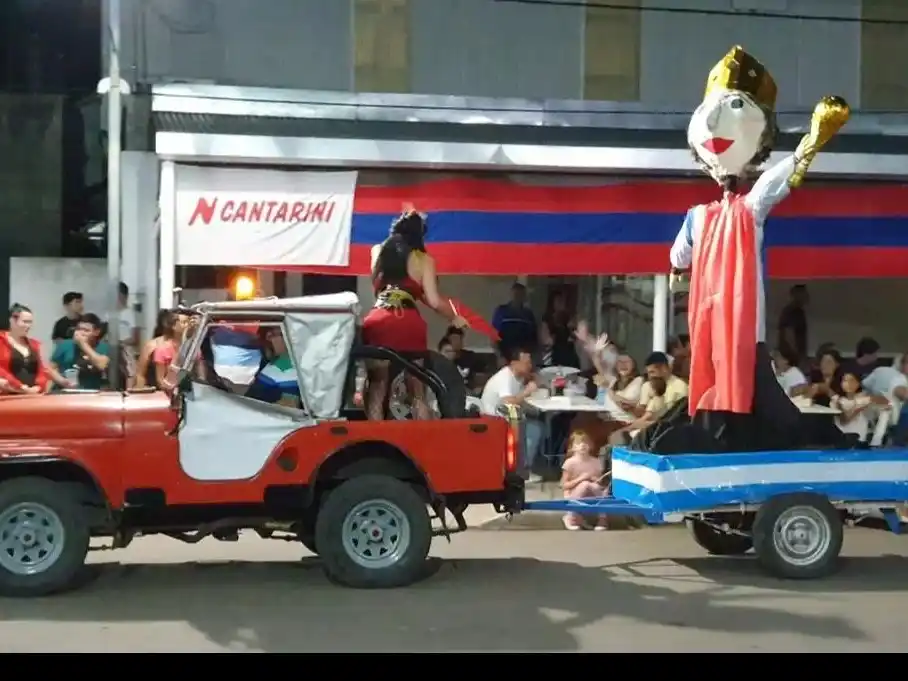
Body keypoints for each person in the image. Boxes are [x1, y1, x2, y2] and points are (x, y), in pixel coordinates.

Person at [669, 45, 848, 451]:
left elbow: (678, 258)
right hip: (729, 334)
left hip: (729, 333)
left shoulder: (719, 214)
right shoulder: (716, 214)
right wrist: (813, 141)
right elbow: (679, 257)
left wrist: (812, 142)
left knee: (741, 388)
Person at [361, 209, 467, 421]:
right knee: (417, 391)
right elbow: (434, 301)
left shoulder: (378, 251)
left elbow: (379, 287)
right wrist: (454, 317)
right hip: (407, 321)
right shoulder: (423, 259)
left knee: (377, 388)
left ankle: (376, 441)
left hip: (378, 318)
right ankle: (425, 443)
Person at [480, 345, 544, 483]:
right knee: (534, 429)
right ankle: (521, 472)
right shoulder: (505, 377)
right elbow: (508, 402)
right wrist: (528, 391)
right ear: (514, 363)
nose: (529, 366)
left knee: (534, 422)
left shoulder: (518, 377)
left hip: (506, 417)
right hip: (494, 419)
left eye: (530, 362)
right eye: (526, 363)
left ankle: (522, 469)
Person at [0, 304, 54, 394]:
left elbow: (43, 370)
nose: (28, 326)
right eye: (25, 322)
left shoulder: (35, 345)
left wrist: (38, 387)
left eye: (30, 322)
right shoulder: (1, 341)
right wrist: (21, 387)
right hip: (7, 395)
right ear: (12, 321)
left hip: (32, 396)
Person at [560, 430, 608, 531]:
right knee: (584, 484)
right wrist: (581, 479)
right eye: (578, 443)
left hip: (592, 493)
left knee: (596, 487)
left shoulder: (596, 462)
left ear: (590, 445)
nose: (582, 445)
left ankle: (602, 519)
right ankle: (571, 517)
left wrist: (594, 479)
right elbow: (564, 485)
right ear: (572, 447)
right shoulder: (570, 463)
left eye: (585, 442)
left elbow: (600, 482)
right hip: (574, 493)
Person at [51, 313, 111, 390]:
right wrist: (62, 381)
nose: (81, 333)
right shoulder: (65, 344)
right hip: (64, 391)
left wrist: (83, 344)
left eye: (86, 330)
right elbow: (51, 368)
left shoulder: (103, 347)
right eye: (78, 329)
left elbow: (101, 365)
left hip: (91, 392)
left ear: (97, 332)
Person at [246, 327, 301, 407]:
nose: (269, 340)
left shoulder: (287, 367)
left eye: (272, 335)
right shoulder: (279, 362)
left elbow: (290, 405)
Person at [492, 283, 537, 359]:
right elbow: (493, 334)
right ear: (511, 294)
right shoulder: (501, 311)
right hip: (505, 354)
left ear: (524, 296)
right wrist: (499, 356)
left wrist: (527, 354)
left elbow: (533, 338)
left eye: (520, 294)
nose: (517, 297)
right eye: (515, 294)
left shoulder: (528, 314)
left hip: (522, 355)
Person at [150, 310, 191, 389]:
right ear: (173, 326)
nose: (187, 326)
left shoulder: (193, 348)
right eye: (184, 322)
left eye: (188, 322)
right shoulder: (162, 349)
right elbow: (160, 380)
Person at [831, 370, 874, 443]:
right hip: (841, 439)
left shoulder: (864, 398)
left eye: (852, 381)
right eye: (845, 381)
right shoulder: (836, 400)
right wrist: (857, 408)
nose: (849, 384)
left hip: (859, 439)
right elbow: (844, 420)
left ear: (858, 383)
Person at [541, 290, 579, 368]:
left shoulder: (568, 317)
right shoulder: (547, 318)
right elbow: (546, 339)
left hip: (569, 355)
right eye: (558, 301)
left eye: (562, 301)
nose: (561, 303)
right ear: (553, 303)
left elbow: (575, 335)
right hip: (554, 355)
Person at [778, 285, 809, 363]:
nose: (806, 296)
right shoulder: (791, 311)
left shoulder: (800, 312)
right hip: (790, 357)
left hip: (795, 355)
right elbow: (788, 333)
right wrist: (796, 356)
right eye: (803, 293)